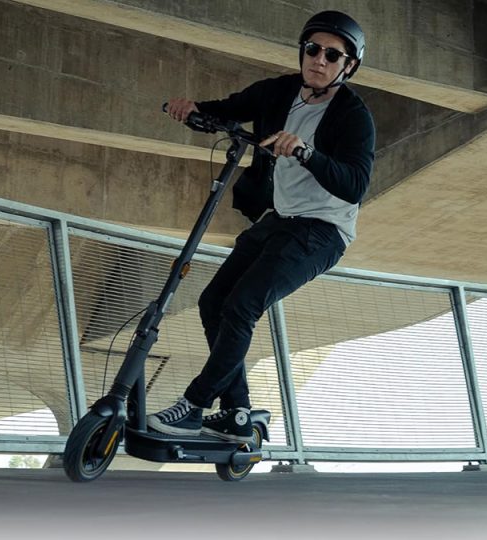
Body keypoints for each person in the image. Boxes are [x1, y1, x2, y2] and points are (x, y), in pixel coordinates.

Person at [153, 11, 376, 443]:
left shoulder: (353, 116)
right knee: (213, 301)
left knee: (242, 306)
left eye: (332, 55)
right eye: (313, 49)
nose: (319, 60)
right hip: (279, 219)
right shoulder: (278, 92)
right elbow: (229, 109)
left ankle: (194, 405)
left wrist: (307, 153)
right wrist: (193, 109)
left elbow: (355, 185)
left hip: (322, 231)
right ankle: (237, 413)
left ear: (348, 66)